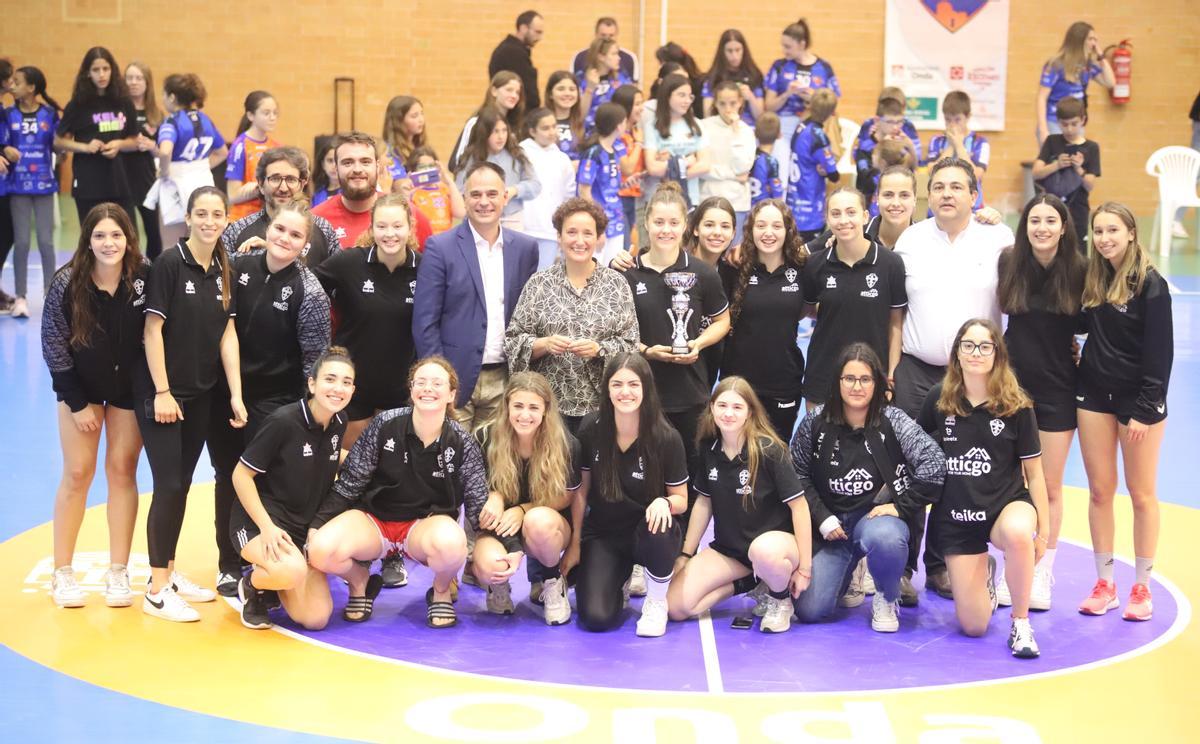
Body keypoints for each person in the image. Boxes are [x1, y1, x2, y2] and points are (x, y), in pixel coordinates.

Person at [892, 157, 1013, 599]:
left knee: (956, 472)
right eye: (938, 186)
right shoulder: (911, 240)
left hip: (974, 379)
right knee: (908, 468)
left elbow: (1016, 302)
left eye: (956, 187)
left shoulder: (998, 238)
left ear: (974, 194)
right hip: (917, 371)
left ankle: (941, 566)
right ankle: (901, 569)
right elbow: (895, 311)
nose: (946, 194)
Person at [207, 198, 331, 596]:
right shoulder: (237, 267)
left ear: (305, 245)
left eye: (296, 235)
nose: (284, 238)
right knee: (227, 475)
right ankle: (229, 562)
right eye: (280, 229)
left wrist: (297, 414)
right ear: (267, 230)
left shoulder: (308, 292)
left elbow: (314, 362)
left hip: (275, 403)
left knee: (264, 479)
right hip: (226, 394)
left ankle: (270, 556)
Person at [307, 356, 488, 628]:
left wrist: (500, 547)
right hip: (375, 521)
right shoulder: (385, 424)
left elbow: (476, 502)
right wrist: (317, 524)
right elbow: (351, 480)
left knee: (453, 545)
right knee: (320, 549)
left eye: (437, 383)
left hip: (423, 526)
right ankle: (360, 581)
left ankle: (440, 591)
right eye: (421, 382)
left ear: (451, 394)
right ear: (412, 389)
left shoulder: (461, 442)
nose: (428, 388)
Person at [137, 186, 246, 623]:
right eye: (201, 213)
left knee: (181, 484)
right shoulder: (168, 263)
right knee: (167, 485)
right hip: (165, 397)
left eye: (216, 214)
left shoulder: (224, 268)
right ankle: (157, 589)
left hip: (202, 396)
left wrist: (235, 393)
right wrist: (163, 392)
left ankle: (169, 570)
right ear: (187, 217)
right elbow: (151, 332)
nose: (209, 221)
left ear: (225, 219)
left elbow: (227, 334)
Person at [919, 319, 1049, 658]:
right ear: (957, 354)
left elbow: (1034, 474)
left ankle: (1021, 623)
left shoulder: (1016, 405)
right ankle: (985, 575)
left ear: (997, 355)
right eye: (968, 345)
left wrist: (1044, 534)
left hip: (1004, 507)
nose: (976, 352)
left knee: (1020, 534)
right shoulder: (938, 399)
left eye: (985, 346)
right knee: (974, 626)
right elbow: (917, 455)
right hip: (957, 520)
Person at [792, 344, 945, 631]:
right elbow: (796, 473)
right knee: (810, 609)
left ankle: (886, 597)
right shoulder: (815, 422)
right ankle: (851, 571)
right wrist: (822, 516)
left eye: (865, 379)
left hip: (873, 522)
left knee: (886, 537)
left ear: (877, 383)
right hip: (832, 529)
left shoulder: (894, 421)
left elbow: (935, 463)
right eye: (849, 378)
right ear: (837, 381)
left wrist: (902, 506)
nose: (857, 387)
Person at [41, 203, 148, 608]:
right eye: (100, 235)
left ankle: (118, 572)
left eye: (116, 235)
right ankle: (62, 573)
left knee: (123, 471)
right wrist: (76, 401)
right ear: (88, 240)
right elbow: (53, 344)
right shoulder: (67, 283)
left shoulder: (143, 277)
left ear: (128, 239)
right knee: (78, 472)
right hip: (81, 391)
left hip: (126, 392)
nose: (109, 243)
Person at [313, 193, 420, 589]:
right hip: (352, 390)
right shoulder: (348, 264)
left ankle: (393, 553)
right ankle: (355, 549)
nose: (390, 233)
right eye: (382, 226)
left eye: (397, 226)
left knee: (395, 474)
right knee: (353, 470)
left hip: (399, 390)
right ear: (371, 229)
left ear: (410, 229)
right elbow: (305, 280)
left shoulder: (424, 269)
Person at [1076, 203, 1172, 622]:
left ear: (1131, 233)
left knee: (1141, 493)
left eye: (1112, 230)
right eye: (1098, 231)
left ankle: (1141, 588)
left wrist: (1147, 409)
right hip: (1095, 396)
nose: (1104, 238)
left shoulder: (1151, 284)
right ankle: (1106, 584)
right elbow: (1078, 325)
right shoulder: (1094, 277)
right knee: (1100, 491)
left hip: (1139, 404)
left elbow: (1160, 353)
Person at [996, 194, 1085, 611]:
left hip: (1058, 391)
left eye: (1051, 220)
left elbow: (1097, 324)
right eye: (1035, 220)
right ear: (1025, 225)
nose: (1043, 228)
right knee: (1007, 482)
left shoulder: (1080, 271)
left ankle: (1043, 567)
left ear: (1064, 227)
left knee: (1047, 485)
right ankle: (1009, 567)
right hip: (1011, 389)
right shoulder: (1010, 261)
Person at [669, 377, 811, 632]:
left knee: (763, 551)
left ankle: (780, 600)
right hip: (730, 551)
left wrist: (805, 568)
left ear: (749, 413)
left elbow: (799, 507)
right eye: (722, 405)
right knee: (676, 608)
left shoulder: (769, 450)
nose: (728, 413)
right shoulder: (709, 449)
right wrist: (686, 555)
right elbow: (703, 502)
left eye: (737, 407)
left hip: (775, 547)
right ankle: (748, 583)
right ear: (711, 408)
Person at [562, 353, 689, 636]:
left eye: (633, 384)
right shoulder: (591, 428)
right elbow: (581, 491)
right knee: (595, 618)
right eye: (617, 384)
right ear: (607, 388)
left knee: (661, 522)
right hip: (606, 533)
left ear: (646, 388)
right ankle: (616, 580)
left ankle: (656, 601)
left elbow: (682, 499)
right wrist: (575, 543)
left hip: (649, 532)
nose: (625, 392)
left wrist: (664, 502)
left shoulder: (667, 437)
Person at [621, 183, 730, 508]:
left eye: (673, 223)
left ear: (685, 226)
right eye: (658, 222)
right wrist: (645, 352)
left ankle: (686, 550)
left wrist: (697, 342)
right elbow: (618, 332)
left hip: (690, 394)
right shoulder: (628, 274)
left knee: (690, 476)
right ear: (647, 223)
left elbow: (723, 321)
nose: (665, 230)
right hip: (640, 395)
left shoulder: (702, 273)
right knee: (643, 476)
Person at [230, 346, 352, 631]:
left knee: (316, 618)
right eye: (330, 379)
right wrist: (267, 527)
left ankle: (278, 581)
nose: (338, 388)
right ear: (312, 383)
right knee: (291, 571)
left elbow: (329, 455)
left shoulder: (338, 422)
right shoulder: (283, 422)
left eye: (346, 382)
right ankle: (253, 585)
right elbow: (240, 476)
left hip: (300, 527)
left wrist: (369, 461)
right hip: (259, 523)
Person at [415, 161, 539, 432]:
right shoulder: (440, 248)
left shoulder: (526, 249)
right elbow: (425, 322)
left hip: (504, 379)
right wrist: (440, 380)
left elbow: (529, 317)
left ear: (505, 197)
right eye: (476, 194)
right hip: (454, 380)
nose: (484, 202)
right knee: (450, 462)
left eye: (492, 194)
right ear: (464, 198)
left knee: (495, 464)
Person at [505, 197, 639, 431]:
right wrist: (543, 344)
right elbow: (512, 341)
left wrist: (599, 349)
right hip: (547, 411)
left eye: (588, 233)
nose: (579, 241)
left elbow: (632, 345)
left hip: (602, 409)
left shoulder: (617, 284)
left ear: (599, 239)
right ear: (559, 237)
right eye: (571, 232)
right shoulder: (539, 283)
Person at [473, 372, 580, 624]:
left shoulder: (566, 444)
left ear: (546, 410)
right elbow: (474, 492)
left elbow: (566, 496)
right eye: (518, 406)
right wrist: (494, 495)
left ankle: (552, 581)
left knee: (537, 520)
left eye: (534, 407)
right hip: (499, 527)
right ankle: (498, 586)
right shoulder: (485, 437)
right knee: (490, 567)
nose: (524, 414)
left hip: (545, 528)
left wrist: (522, 510)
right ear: (506, 406)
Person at [802, 189, 906, 413]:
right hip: (823, 375)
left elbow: (896, 323)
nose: (843, 220)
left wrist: (890, 376)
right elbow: (808, 309)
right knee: (820, 445)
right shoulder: (815, 264)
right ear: (827, 219)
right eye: (836, 214)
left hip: (871, 377)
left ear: (865, 216)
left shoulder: (890, 264)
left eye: (851, 212)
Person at [720, 199, 807, 440]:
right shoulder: (733, 267)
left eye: (776, 226)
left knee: (776, 455)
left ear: (787, 231)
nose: (768, 233)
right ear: (750, 230)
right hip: (739, 381)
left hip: (783, 382)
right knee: (735, 453)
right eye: (761, 226)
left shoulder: (802, 268)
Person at [54, 47, 139, 224]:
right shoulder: (78, 104)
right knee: (92, 238)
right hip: (88, 183)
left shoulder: (123, 101)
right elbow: (59, 141)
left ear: (112, 70)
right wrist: (85, 147)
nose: (101, 75)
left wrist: (119, 144)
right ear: (87, 73)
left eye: (105, 69)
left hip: (120, 182)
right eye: (96, 70)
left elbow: (134, 140)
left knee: (127, 238)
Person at [4, 66, 61, 318]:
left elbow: (59, 145)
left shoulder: (50, 114)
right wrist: (6, 150)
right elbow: (3, 142)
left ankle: (51, 295)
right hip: (18, 186)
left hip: (44, 184)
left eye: (17, 82)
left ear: (32, 88)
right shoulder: (8, 115)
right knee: (23, 242)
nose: (12, 86)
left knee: (46, 242)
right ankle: (20, 297)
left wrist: (66, 149)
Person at [221, 146, 340, 267]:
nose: (283, 188)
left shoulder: (324, 229)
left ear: (302, 184)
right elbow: (223, 280)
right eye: (275, 179)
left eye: (291, 179)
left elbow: (339, 279)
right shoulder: (236, 231)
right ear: (261, 184)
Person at [314, 131, 431, 250]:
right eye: (348, 162)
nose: (357, 169)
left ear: (377, 166)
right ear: (336, 168)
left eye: (365, 162)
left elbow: (428, 266)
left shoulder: (410, 214)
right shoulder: (317, 221)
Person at [764, 19, 840, 191]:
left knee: (810, 176)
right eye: (782, 46)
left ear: (802, 44)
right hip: (783, 127)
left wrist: (813, 97)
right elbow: (769, 106)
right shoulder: (780, 66)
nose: (784, 51)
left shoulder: (824, 67)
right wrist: (788, 93)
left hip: (812, 128)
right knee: (782, 174)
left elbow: (833, 104)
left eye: (788, 46)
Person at [154, 73, 228, 249]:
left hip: (176, 187)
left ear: (172, 97)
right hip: (203, 185)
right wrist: (198, 168)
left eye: (163, 94)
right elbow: (222, 152)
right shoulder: (206, 120)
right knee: (201, 244)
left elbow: (165, 152)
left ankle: (173, 277)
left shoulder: (171, 121)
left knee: (172, 246)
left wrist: (164, 172)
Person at [453, 107, 541, 231]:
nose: (501, 137)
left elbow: (535, 185)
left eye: (504, 131)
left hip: (512, 219)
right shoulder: (470, 158)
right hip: (479, 220)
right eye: (495, 131)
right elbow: (459, 191)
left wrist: (514, 190)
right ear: (484, 132)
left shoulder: (517, 153)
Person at [1033, 98, 1100, 250]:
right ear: (1058, 122)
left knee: (1078, 252)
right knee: (1051, 250)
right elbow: (1036, 173)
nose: (1069, 129)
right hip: (1051, 209)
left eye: (1074, 124)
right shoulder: (1052, 141)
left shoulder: (1091, 147)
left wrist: (1078, 169)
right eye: (1064, 124)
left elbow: (1090, 185)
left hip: (1078, 211)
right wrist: (1056, 165)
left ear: (1083, 120)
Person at [1037, 21, 1113, 145]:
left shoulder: (1087, 66)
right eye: (1090, 39)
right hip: (1054, 122)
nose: (1093, 43)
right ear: (1079, 40)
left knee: (1074, 162)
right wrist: (1043, 129)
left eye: (1095, 40)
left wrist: (1100, 54)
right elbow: (1042, 97)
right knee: (1056, 162)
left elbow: (1110, 82)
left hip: (1076, 123)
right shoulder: (1056, 64)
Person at [520, 108, 577, 269]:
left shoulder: (562, 158)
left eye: (554, 126)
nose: (552, 132)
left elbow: (568, 195)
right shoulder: (520, 153)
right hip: (523, 229)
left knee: (542, 280)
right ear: (532, 131)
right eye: (545, 128)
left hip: (549, 232)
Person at [643, 75, 710, 207]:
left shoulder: (696, 125)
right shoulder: (652, 126)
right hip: (660, 200)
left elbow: (704, 165)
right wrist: (686, 162)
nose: (687, 101)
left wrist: (672, 172)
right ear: (667, 95)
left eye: (690, 96)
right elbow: (653, 168)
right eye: (681, 95)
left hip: (691, 198)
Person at [700, 82, 756, 242]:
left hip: (737, 202)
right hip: (708, 198)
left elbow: (743, 167)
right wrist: (731, 174)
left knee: (732, 257)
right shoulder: (704, 127)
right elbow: (702, 168)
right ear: (715, 103)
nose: (728, 108)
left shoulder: (745, 131)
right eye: (722, 103)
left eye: (732, 103)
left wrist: (736, 130)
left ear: (740, 102)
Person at [577, 103, 629, 265]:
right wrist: (597, 225)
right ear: (618, 125)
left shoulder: (615, 150)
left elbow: (608, 187)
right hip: (600, 221)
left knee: (615, 269)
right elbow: (584, 191)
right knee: (594, 269)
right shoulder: (594, 153)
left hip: (616, 218)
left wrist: (626, 184)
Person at [786, 88, 839, 243]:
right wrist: (826, 171)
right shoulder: (819, 137)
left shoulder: (800, 126)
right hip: (810, 209)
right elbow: (834, 175)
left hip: (793, 202)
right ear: (831, 113)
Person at [922, 91, 989, 211]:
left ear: (968, 117)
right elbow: (932, 172)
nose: (952, 125)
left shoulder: (980, 142)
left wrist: (958, 145)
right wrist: (951, 146)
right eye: (948, 120)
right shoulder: (936, 140)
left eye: (957, 120)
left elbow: (977, 175)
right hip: (939, 208)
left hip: (972, 209)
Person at [123, 61, 163, 259]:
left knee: (154, 232)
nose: (133, 82)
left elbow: (162, 153)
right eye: (129, 78)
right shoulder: (119, 112)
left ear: (147, 83)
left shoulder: (155, 115)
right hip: (122, 178)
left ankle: (154, 274)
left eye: (138, 78)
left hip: (146, 179)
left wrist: (151, 146)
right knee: (129, 233)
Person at [450, 72, 526, 173]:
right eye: (509, 90)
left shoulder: (517, 126)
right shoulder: (476, 122)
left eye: (518, 92)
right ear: (494, 91)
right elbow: (455, 163)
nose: (514, 95)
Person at [853, 91, 921, 204]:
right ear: (877, 120)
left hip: (899, 201)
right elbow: (866, 179)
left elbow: (914, 169)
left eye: (899, 122)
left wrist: (910, 146)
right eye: (890, 122)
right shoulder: (866, 144)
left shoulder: (903, 140)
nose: (895, 127)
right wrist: (882, 147)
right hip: (870, 202)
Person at [225, 90, 280, 221]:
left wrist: (258, 186)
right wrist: (260, 188)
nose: (272, 117)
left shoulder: (277, 146)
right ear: (250, 115)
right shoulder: (240, 146)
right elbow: (232, 195)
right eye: (266, 113)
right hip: (243, 219)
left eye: (275, 113)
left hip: (268, 217)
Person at [702, 30, 765, 125]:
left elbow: (760, 116)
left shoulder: (754, 75)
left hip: (749, 127)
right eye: (729, 51)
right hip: (721, 127)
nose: (734, 56)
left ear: (744, 50)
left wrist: (751, 97)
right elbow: (707, 115)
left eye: (738, 50)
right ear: (722, 52)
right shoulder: (714, 77)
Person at [611, 85, 646, 253]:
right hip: (618, 197)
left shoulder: (636, 131)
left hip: (635, 196)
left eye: (642, 103)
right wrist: (640, 143)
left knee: (631, 246)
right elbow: (628, 168)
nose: (641, 108)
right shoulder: (617, 134)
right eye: (637, 104)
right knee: (622, 246)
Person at [405, 146, 466, 238]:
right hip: (422, 243)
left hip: (445, 241)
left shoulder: (445, 189)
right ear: (413, 171)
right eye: (422, 167)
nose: (427, 170)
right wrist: (408, 194)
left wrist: (449, 181)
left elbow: (460, 213)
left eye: (431, 166)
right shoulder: (412, 193)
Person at [488, 10, 544, 110]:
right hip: (515, 115)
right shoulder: (513, 52)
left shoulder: (509, 49)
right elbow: (527, 90)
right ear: (523, 28)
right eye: (537, 32)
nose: (540, 37)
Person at [579, 38, 632, 132]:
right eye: (614, 54)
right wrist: (590, 89)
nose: (619, 58)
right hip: (591, 132)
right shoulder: (582, 79)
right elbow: (580, 115)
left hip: (617, 131)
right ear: (601, 56)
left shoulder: (622, 79)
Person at [571, 17, 640, 84]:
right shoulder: (580, 57)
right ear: (596, 34)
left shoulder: (629, 58)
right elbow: (573, 85)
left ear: (616, 35)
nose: (607, 39)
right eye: (603, 35)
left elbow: (634, 88)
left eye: (611, 35)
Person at [381, 95, 426, 186]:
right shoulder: (388, 151)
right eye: (414, 116)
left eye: (422, 113)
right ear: (398, 121)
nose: (421, 120)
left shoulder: (421, 148)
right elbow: (400, 185)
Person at [545, 70, 584, 164]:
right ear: (550, 94)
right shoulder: (540, 122)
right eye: (561, 89)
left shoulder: (584, 124)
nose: (567, 93)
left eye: (572, 89)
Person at [749, 113, 783, 207]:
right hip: (763, 209)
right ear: (779, 135)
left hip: (748, 208)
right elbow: (777, 194)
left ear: (755, 133)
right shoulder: (771, 162)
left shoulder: (749, 156)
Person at [311, 136, 338, 207]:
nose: (334, 166)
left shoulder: (350, 193)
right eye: (330, 160)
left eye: (338, 160)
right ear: (323, 164)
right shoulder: (317, 195)